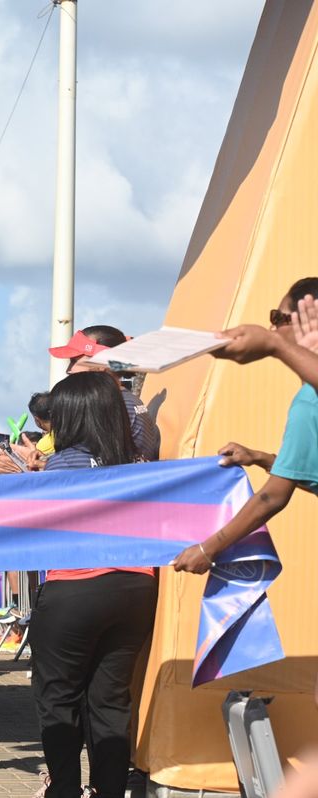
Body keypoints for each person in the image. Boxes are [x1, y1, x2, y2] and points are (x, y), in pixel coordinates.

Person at [30, 371, 157, 798]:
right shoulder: (140, 463)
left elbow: (39, 523)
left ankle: (63, 789)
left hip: (75, 590)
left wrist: (23, 477)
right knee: (110, 700)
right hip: (136, 589)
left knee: (58, 698)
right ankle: (109, 790)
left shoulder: (62, 464)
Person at [173, 277, 318, 574]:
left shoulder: (308, 403)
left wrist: (208, 547)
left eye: (278, 319)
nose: (272, 328)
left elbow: (273, 495)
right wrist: (261, 458)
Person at [48, 325, 161, 461]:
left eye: (74, 361)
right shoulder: (126, 401)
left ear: (102, 363)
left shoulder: (115, 405)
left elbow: (95, 465)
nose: (69, 370)